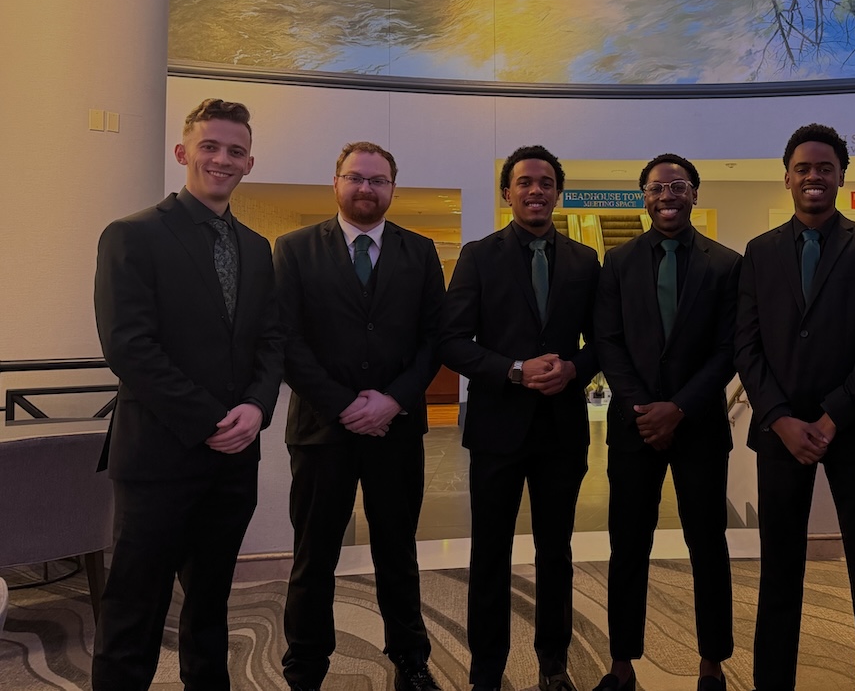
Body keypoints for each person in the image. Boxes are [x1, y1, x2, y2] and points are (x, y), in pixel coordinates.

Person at [92, 98, 284, 689]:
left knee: (210, 606)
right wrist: (211, 419)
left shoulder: (257, 247)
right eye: (210, 146)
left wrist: (256, 407)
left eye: (235, 151)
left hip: (233, 462)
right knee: (135, 609)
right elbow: (129, 347)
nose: (222, 159)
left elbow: (271, 340)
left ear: (249, 163)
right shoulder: (132, 235)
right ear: (183, 152)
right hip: (158, 457)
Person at [735, 124, 855, 691]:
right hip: (780, 432)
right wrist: (781, 418)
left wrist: (833, 416)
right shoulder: (759, 252)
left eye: (825, 168)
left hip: (852, 429)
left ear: (841, 177)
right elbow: (746, 345)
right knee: (779, 572)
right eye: (803, 168)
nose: (814, 176)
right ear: (786, 178)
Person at [273, 141, 446, 691]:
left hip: (397, 429)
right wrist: (344, 405)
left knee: (397, 550)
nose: (366, 188)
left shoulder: (420, 251)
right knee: (313, 555)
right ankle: (305, 669)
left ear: (393, 188)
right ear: (336, 182)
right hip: (321, 430)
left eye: (378, 180)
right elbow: (286, 340)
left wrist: (392, 400)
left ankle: (410, 658)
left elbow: (434, 339)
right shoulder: (294, 248)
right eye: (356, 178)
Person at [439, 145, 600, 691]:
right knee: (490, 554)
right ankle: (486, 672)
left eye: (546, 182)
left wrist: (574, 368)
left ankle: (553, 665)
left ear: (558, 193)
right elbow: (452, 341)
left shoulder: (585, 261)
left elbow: (604, 340)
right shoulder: (478, 256)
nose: (536, 190)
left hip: (562, 430)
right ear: (507, 192)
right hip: (496, 430)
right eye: (525, 182)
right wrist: (513, 370)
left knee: (556, 553)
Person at [592, 154, 741, 691]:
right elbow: (607, 341)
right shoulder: (618, 262)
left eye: (678, 186)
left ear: (695, 193)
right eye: (657, 188)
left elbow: (729, 348)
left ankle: (712, 662)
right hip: (634, 428)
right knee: (628, 545)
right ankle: (621, 663)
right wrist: (644, 409)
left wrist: (678, 407)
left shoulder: (727, 264)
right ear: (644, 197)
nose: (667, 196)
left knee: (709, 544)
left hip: (700, 425)